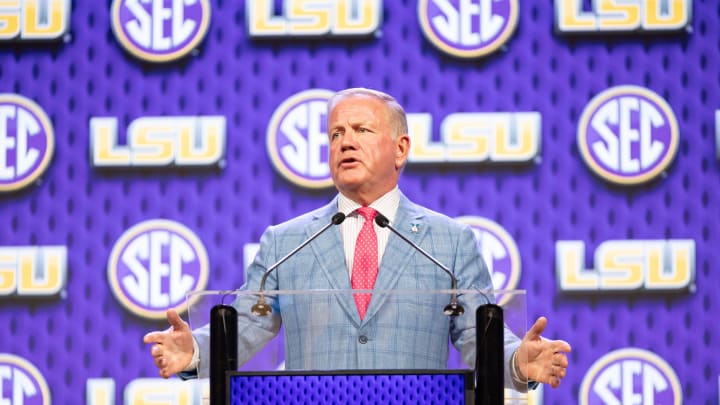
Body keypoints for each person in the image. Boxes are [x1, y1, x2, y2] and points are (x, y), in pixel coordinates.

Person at [144, 88, 571, 390]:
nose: (346, 142)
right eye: (335, 134)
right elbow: (245, 326)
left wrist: (519, 360)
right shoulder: (286, 241)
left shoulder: (450, 242)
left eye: (362, 131)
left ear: (400, 149)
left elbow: (479, 336)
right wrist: (196, 350)